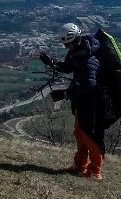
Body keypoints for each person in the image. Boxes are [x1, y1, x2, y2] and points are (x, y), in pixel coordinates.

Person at [39, 22, 110, 180]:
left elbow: (89, 84)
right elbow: (68, 68)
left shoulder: (89, 56)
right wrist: (51, 63)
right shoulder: (77, 51)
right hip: (81, 100)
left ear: (75, 40)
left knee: (91, 136)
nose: (65, 48)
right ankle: (80, 167)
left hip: (93, 102)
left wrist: (65, 94)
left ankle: (94, 172)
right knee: (79, 133)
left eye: (67, 44)